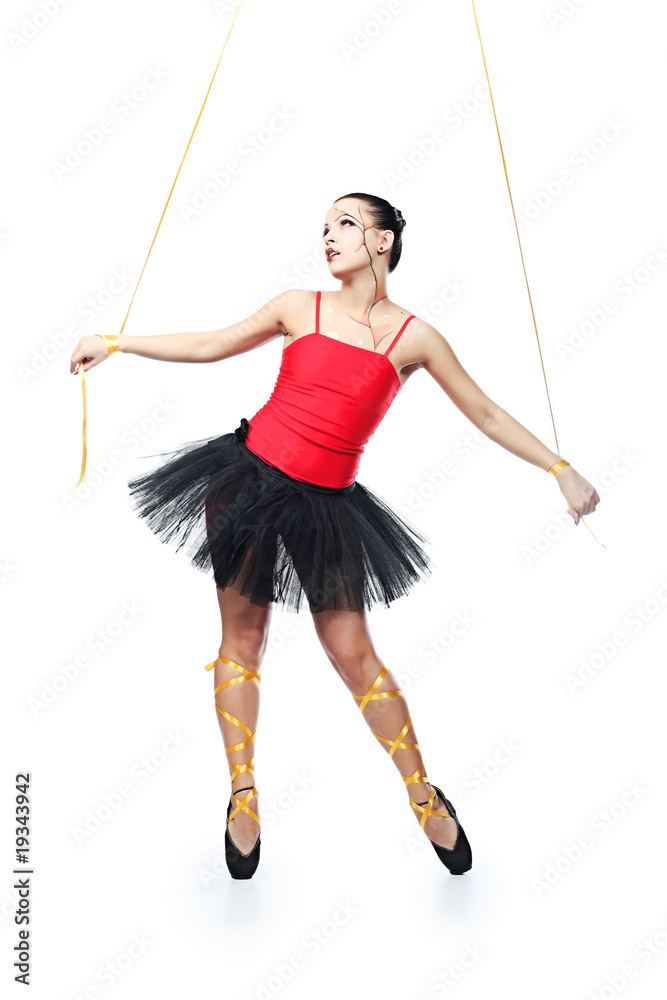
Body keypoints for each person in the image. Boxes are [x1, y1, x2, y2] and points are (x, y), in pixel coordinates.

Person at [69, 193, 600, 880]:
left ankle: (422, 794)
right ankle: (242, 795)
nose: (328, 236)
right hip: (246, 484)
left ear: (382, 241)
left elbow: (486, 413)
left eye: (345, 224)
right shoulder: (299, 306)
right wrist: (117, 343)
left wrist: (558, 468)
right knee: (242, 643)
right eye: (324, 227)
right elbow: (212, 344)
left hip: (328, 508)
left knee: (353, 655)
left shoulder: (415, 338)